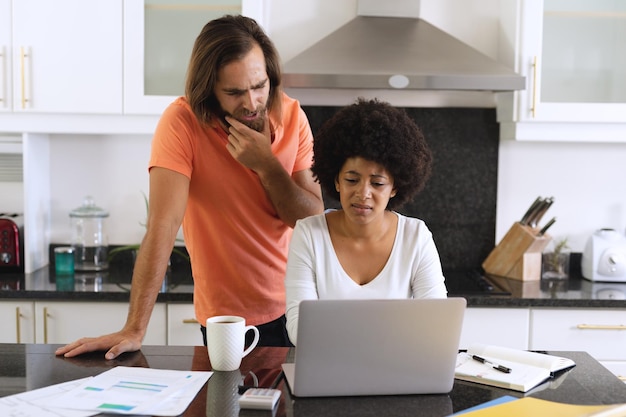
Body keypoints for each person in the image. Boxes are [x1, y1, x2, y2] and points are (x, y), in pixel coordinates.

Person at [56, 15, 323, 359]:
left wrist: (266, 165)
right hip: (223, 319)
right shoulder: (182, 123)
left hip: (294, 308)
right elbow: (162, 226)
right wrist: (134, 329)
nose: (252, 103)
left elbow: (311, 219)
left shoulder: (293, 117)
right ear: (209, 88)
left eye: (259, 86)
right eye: (234, 92)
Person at [284, 98, 448, 345]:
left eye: (378, 183)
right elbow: (298, 330)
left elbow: (438, 325)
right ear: (336, 181)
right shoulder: (308, 234)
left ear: (395, 187)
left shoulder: (416, 237)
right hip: (329, 375)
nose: (363, 193)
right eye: (351, 180)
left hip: (396, 376)